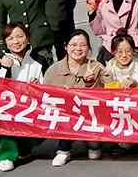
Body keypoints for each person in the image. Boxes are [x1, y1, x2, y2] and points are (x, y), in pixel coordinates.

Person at [0, 24, 45, 172]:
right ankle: (6, 156)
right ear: (5, 42)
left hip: (32, 107)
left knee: (44, 127)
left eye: (20, 36)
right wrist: (5, 68)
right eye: (10, 38)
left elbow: (49, 85)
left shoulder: (39, 60)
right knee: (6, 120)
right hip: (7, 108)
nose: (16, 41)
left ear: (28, 38)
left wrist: (38, 86)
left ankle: (24, 147)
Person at [45, 30, 106, 167]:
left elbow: (107, 95)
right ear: (66, 47)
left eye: (83, 45)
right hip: (64, 117)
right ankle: (63, 150)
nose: (78, 49)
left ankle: (92, 144)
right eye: (73, 45)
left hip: (90, 117)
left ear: (88, 48)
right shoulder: (53, 70)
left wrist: (90, 83)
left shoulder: (97, 67)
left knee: (94, 151)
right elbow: (45, 96)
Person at [104, 33, 138, 161]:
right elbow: (106, 94)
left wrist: (136, 84)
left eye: (128, 51)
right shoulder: (109, 67)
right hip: (119, 108)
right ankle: (124, 144)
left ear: (134, 50)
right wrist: (117, 85)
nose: (124, 55)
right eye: (119, 52)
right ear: (113, 52)